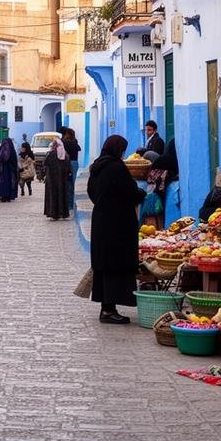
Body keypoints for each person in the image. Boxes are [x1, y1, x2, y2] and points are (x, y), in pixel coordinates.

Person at [88, 135, 146, 324]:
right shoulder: (116, 167)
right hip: (117, 223)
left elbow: (91, 192)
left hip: (101, 220)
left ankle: (106, 307)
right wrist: (141, 193)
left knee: (105, 264)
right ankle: (109, 310)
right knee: (115, 264)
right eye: (122, 149)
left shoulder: (98, 166)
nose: (123, 153)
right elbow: (129, 191)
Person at [43, 139, 71, 220]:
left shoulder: (51, 154)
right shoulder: (65, 155)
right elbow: (69, 168)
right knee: (62, 195)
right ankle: (63, 213)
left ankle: (54, 214)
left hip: (51, 179)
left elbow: (45, 164)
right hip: (62, 180)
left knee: (53, 195)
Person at [61, 127, 81, 211]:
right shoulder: (75, 142)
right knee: (73, 184)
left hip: (67, 164)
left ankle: (69, 204)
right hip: (74, 163)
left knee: (68, 184)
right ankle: (71, 203)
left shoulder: (64, 143)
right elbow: (78, 149)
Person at [0, 138, 18, 202]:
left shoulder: (4, 147)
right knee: (10, 182)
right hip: (11, 170)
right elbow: (14, 160)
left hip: (3, 169)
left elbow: (3, 158)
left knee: (4, 182)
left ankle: (4, 196)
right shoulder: (12, 149)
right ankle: (9, 196)